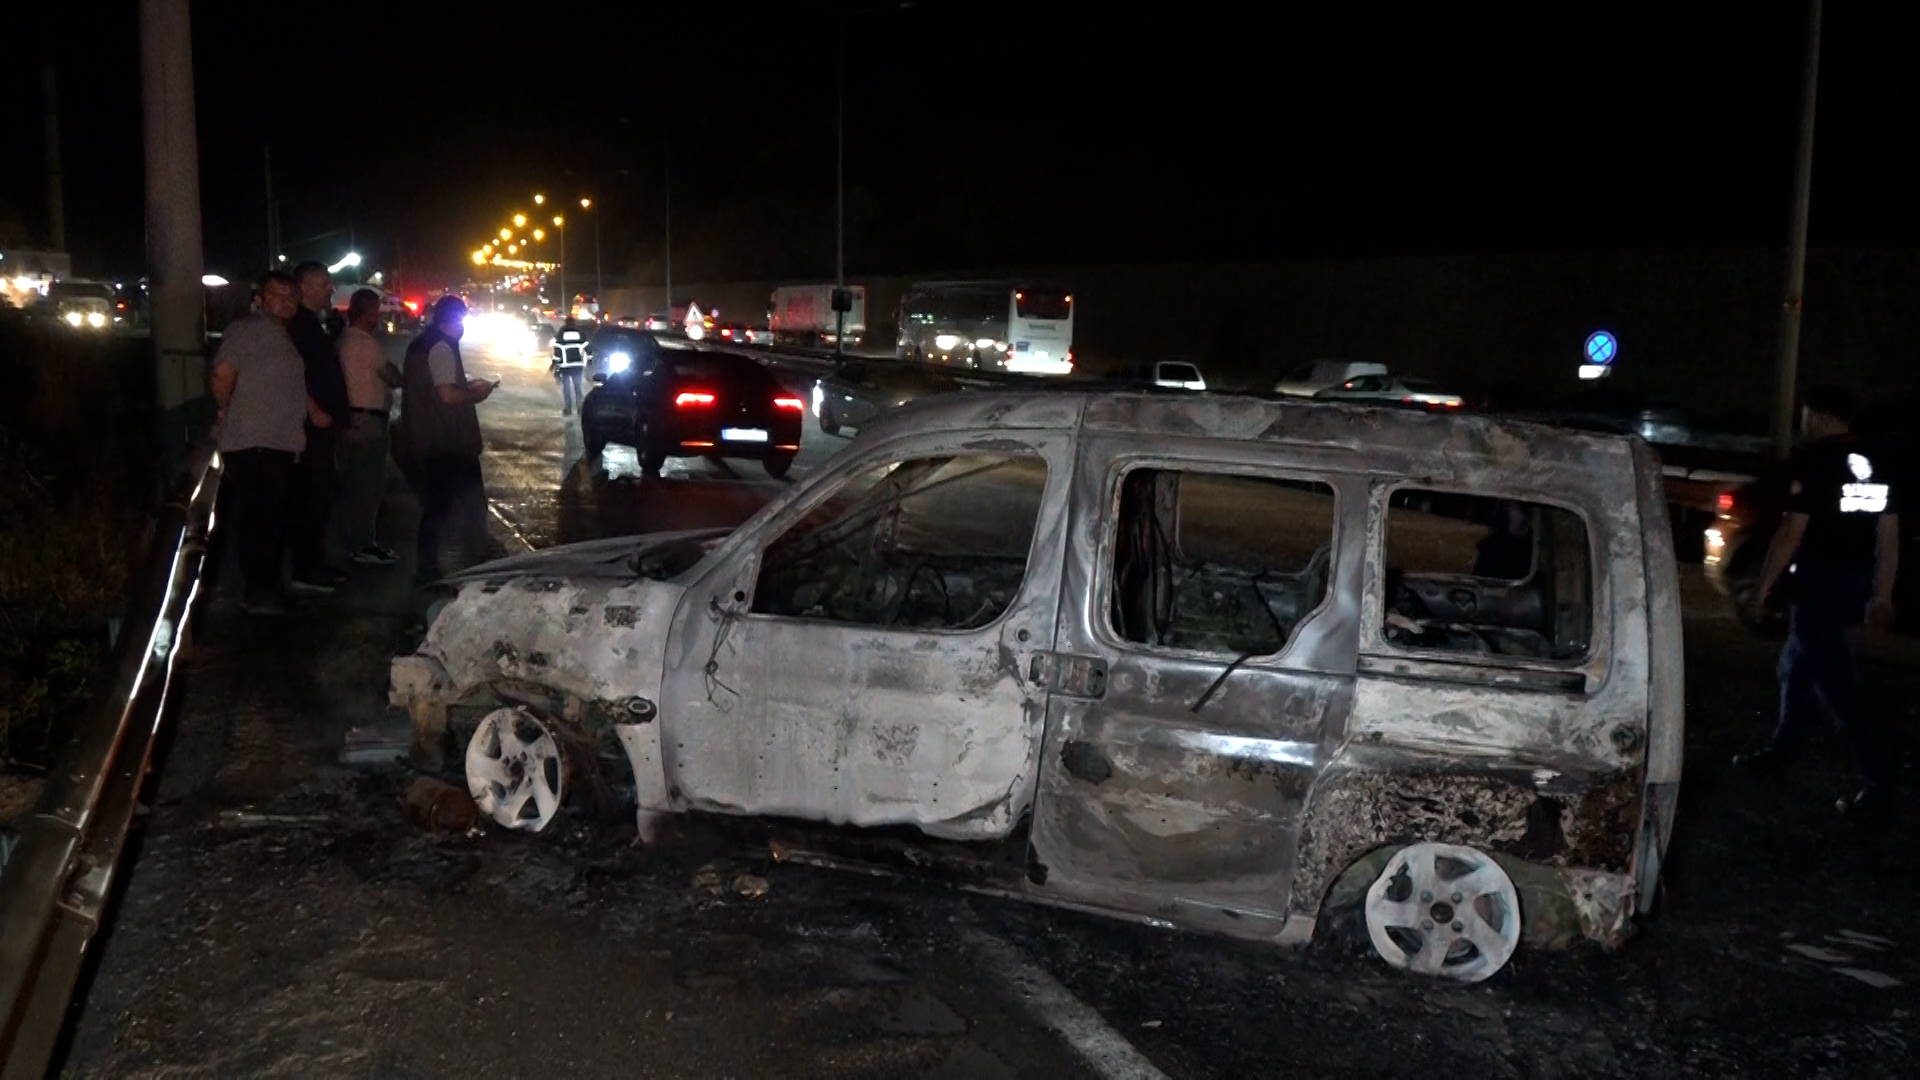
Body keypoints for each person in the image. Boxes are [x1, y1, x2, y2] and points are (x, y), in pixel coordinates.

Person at [1734, 385, 1902, 815]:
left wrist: (1761, 590)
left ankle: (1880, 782)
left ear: (1821, 416)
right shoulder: (1879, 459)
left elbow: (1791, 531)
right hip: (1854, 584)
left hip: (1818, 587)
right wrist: (1881, 594)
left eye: (1806, 415)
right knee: (1795, 666)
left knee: (1839, 687)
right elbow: (1888, 534)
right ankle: (1784, 750)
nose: (1802, 423)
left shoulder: (1815, 459)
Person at [208, 271, 314, 616]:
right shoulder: (246, 330)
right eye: (276, 294)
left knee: (272, 520)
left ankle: (269, 589)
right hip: (256, 444)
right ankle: (258, 594)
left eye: (291, 296)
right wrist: (224, 408)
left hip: (277, 444)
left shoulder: (281, 336)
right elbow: (222, 373)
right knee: (260, 521)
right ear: (259, 299)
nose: (285, 301)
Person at [394, 295, 497, 586]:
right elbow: (447, 395)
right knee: (465, 504)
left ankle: (430, 567)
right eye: (462, 319)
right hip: (449, 441)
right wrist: (476, 393)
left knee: (439, 506)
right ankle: (475, 564)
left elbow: (433, 388)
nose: (463, 326)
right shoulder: (441, 346)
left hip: (430, 439)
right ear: (454, 319)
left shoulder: (420, 344)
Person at [287, 261, 351, 593]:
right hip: (312, 428)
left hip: (322, 425)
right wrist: (315, 410)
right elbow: (293, 373)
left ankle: (316, 561)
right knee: (311, 496)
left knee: (321, 494)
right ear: (305, 287)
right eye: (324, 283)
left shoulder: (311, 323)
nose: (331, 289)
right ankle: (307, 568)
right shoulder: (299, 325)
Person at [331, 288, 401, 567]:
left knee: (353, 483)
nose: (379, 316)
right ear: (368, 312)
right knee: (367, 484)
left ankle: (353, 540)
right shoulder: (365, 343)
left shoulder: (344, 340)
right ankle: (362, 544)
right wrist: (395, 372)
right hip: (367, 421)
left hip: (351, 419)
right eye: (376, 311)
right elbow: (392, 376)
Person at [552, 316, 587, 416]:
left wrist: (554, 363)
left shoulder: (561, 332)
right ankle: (580, 409)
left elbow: (557, 351)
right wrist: (590, 359)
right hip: (577, 365)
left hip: (565, 366)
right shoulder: (579, 332)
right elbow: (587, 346)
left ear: (566, 322)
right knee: (578, 388)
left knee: (566, 388)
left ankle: (568, 409)